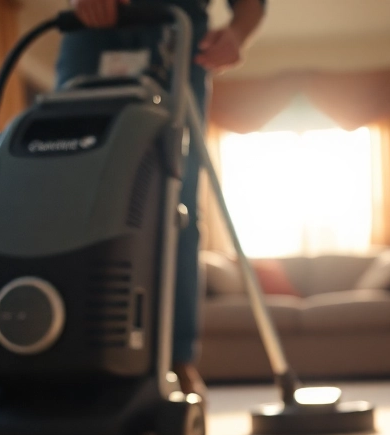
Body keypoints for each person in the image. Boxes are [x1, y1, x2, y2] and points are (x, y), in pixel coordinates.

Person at [59, 0, 265, 397]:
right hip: (92, 29)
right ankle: (64, 350)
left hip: (180, 34)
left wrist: (237, 34)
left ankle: (177, 359)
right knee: (74, 185)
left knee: (176, 203)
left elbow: (251, 5)